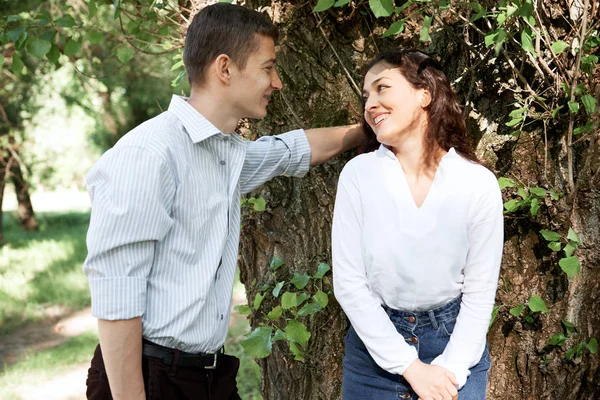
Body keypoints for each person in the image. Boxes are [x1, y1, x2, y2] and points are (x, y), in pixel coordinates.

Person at [82, 3, 361, 400]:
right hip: (148, 379)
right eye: (268, 67)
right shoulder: (150, 154)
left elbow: (290, 150)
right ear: (225, 68)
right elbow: (116, 298)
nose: (277, 82)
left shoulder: (225, 156)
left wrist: (366, 128)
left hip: (207, 377)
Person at [332, 49, 504, 400]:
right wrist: (411, 369)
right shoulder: (359, 176)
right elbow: (349, 285)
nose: (370, 105)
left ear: (424, 94)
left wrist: (449, 370)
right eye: (366, 97)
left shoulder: (477, 183)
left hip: (456, 347)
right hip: (374, 357)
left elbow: (480, 291)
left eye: (382, 88)